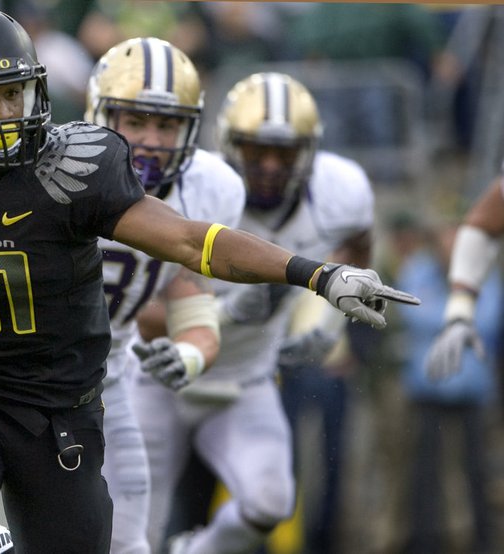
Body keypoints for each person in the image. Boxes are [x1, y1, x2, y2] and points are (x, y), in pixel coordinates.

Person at [0, 7, 419, 553]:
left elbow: (190, 241)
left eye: (14, 94)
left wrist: (318, 273)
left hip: (61, 409)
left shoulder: (66, 169)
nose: (4, 114)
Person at [131, 72, 379, 553]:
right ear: (228, 145)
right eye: (256, 150)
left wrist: (329, 324)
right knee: (134, 528)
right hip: (161, 376)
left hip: (246, 379)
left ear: (308, 153)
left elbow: (358, 243)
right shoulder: (193, 185)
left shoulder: (340, 191)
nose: (269, 166)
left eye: (284, 154)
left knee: (270, 501)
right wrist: (224, 314)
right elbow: (137, 306)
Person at [86, 36, 245, 553]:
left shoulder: (209, 187)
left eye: (168, 124)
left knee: (130, 543)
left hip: (105, 383)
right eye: (136, 121)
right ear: (100, 114)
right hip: (8, 384)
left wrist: (192, 356)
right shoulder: (48, 170)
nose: (152, 140)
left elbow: (192, 302)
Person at [397, 221, 500, 554]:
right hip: (427, 391)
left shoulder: (488, 277)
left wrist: (444, 319)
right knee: (424, 475)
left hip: (472, 393)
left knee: (477, 473)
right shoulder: (417, 271)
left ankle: (483, 543)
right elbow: (411, 313)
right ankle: (425, 543)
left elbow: (487, 321)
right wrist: (459, 317)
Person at [426, 175, 504, 380]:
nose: (453, 240)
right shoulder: (419, 271)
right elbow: (481, 226)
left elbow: (490, 320)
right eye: (447, 232)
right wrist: (460, 313)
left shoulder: (492, 278)